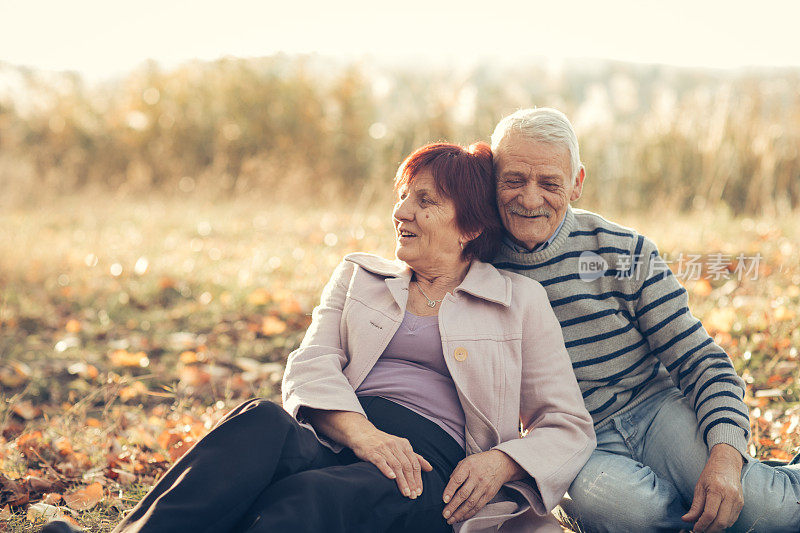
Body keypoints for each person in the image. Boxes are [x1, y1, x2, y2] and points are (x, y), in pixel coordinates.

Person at [77, 141, 595, 533]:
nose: (401, 213)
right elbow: (312, 363)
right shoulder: (359, 276)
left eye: (425, 201)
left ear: (470, 228)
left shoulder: (519, 300)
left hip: (423, 471)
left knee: (308, 497)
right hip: (339, 433)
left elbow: (567, 424)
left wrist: (501, 461)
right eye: (402, 197)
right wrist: (364, 436)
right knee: (256, 422)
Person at [488, 107, 800, 532]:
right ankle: (710, 509)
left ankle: (755, 489)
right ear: (492, 179)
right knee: (626, 511)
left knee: (768, 511)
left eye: (549, 183)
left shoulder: (623, 249)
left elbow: (701, 362)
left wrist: (726, 459)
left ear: (577, 183)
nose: (529, 198)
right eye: (514, 180)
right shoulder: (478, 267)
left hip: (657, 409)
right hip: (574, 442)